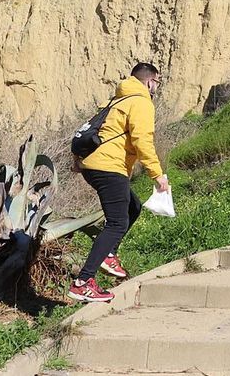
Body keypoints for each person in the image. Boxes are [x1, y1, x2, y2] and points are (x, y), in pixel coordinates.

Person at [68, 61, 170, 303]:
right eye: (156, 82)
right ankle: (83, 282)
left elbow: (88, 129)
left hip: (92, 165)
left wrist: (77, 160)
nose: (156, 87)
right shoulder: (141, 101)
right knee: (117, 222)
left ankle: (108, 253)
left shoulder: (115, 100)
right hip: (108, 166)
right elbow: (142, 140)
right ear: (149, 81)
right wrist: (158, 175)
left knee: (132, 207)